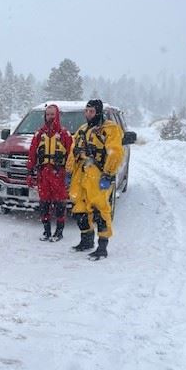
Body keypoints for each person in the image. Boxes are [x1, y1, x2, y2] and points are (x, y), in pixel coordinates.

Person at [66, 99, 124, 260]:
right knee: (79, 209)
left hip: (97, 174)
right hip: (81, 173)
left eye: (91, 111)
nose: (88, 114)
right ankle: (86, 241)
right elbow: (73, 149)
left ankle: (102, 246)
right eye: (86, 111)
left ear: (98, 112)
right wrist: (69, 170)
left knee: (100, 210)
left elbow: (115, 152)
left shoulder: (110, 129)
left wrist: (108, 173)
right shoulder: (83, 130)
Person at [26, 104, 72, 242]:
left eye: (52, 114)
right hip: (43, 175)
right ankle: (46, 231)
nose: (50, 117)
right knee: (44, 203)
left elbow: (70, 156)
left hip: (59, 174)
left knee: (59, 204)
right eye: (48, 114)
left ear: (57, 115)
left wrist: (70, 174)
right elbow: (32, 154)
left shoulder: (64, 134)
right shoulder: (39, 134)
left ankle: (59, 231)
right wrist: (29, 172)